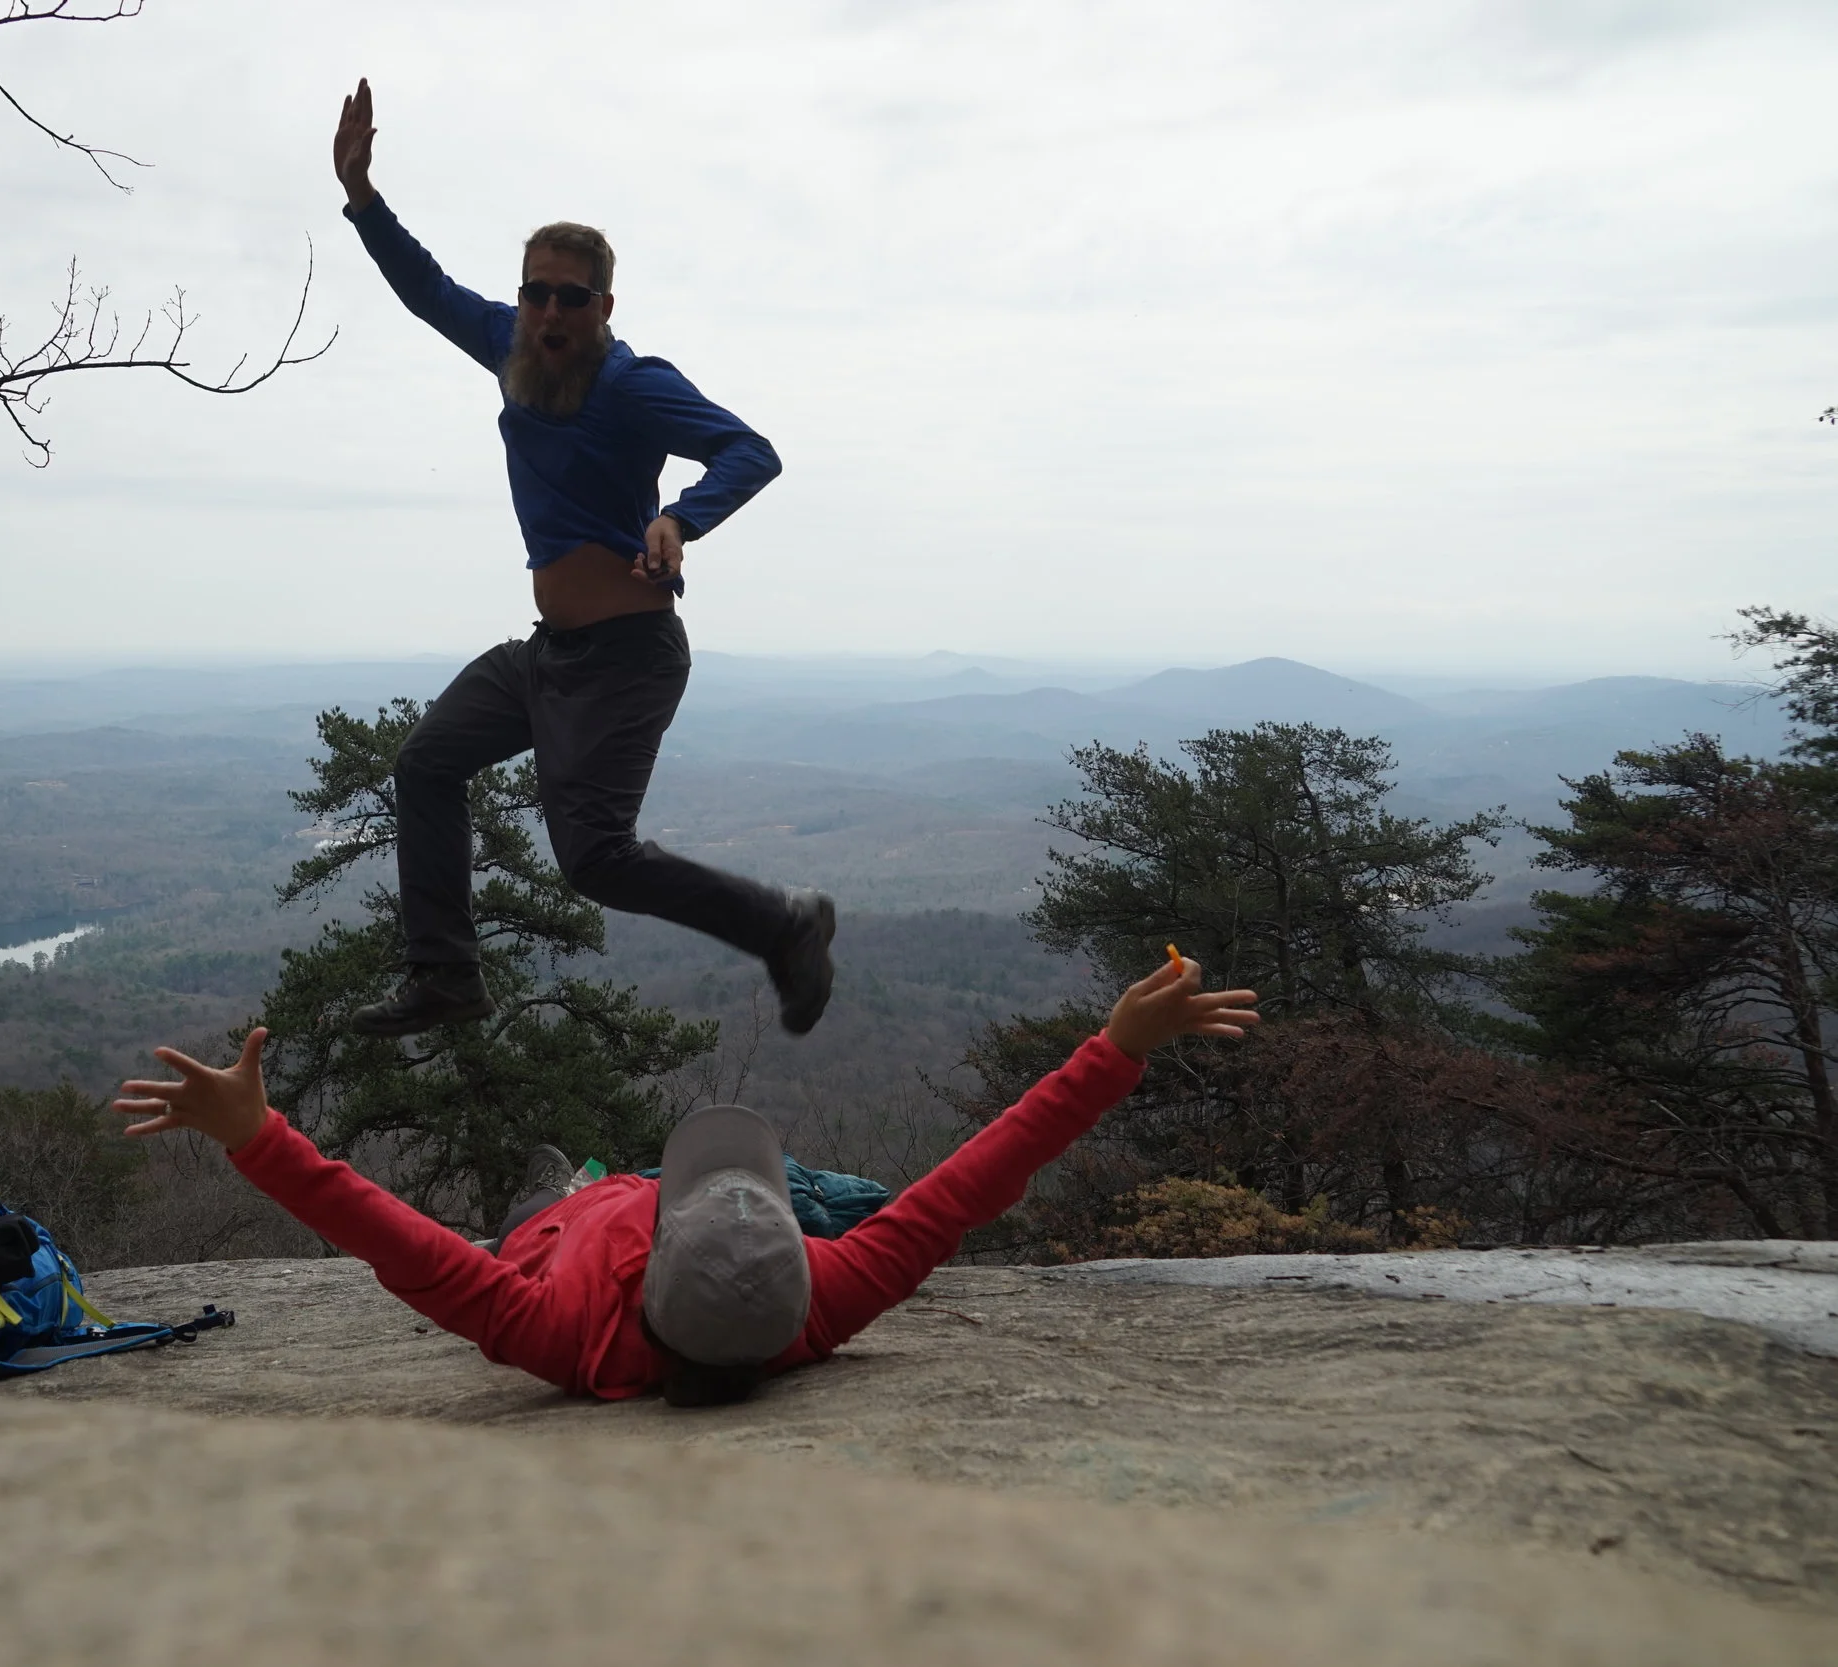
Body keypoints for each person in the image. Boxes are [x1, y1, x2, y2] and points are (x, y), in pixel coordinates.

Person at [115, 956, 1261, 1407]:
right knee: (845, 1197)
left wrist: (258, 1134)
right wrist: (1110, 1053)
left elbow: (394, 1237)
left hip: (563, 1229)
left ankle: (580, 1184)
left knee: (555, 1196)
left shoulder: (553, 1323)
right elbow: (964, 1187)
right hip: (770, 1222)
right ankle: (736, 1185)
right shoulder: (812, 1295)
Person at [327, 78, 837, 1040]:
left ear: (603, 304)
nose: (548, 311)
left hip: (626, 659)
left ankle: (786, 926)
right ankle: (446, 978)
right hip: (546, 657)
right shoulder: (512, 348)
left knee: (593, 859)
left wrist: (683, 519)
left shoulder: (632, 384)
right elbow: (426, 288)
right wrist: (361, 195)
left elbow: (750, 450)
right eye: (534, 292)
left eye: (569, 296)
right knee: (428, 763)